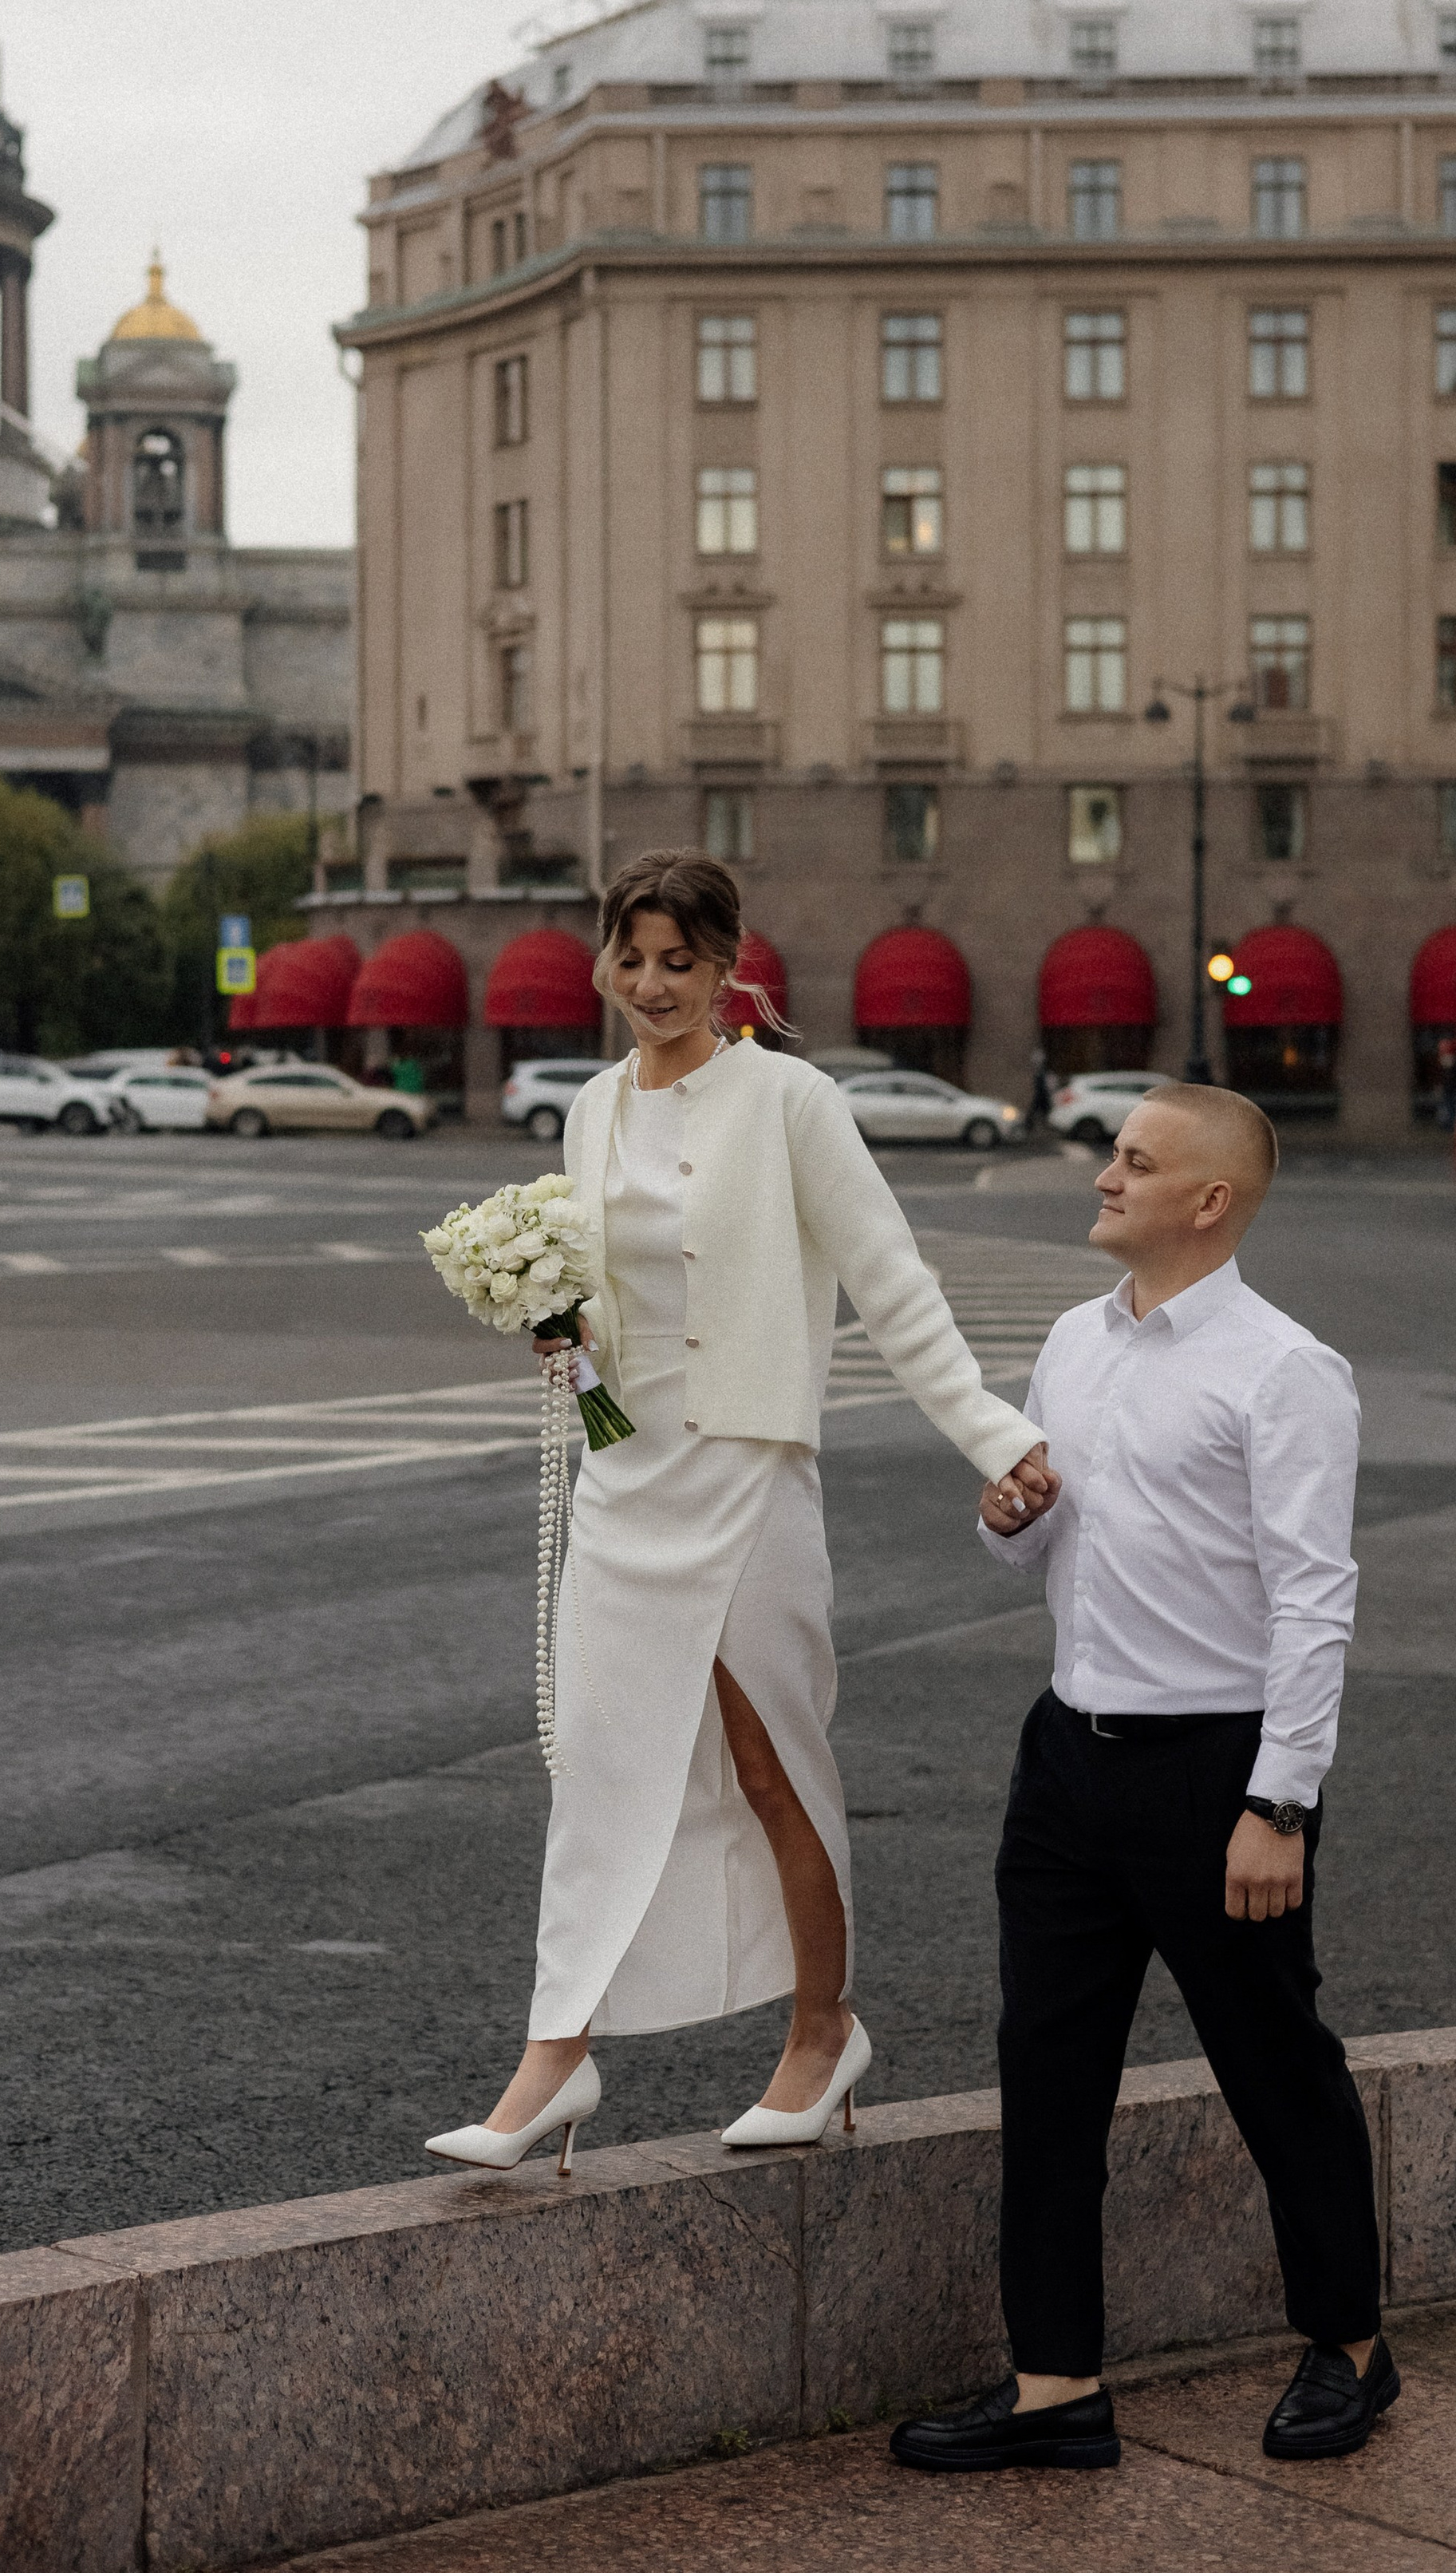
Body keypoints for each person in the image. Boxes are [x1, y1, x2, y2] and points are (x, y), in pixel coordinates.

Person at [424, 850, 1058, 2177]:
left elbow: (892, 1282)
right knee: (600, 1770)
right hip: (627, 1478)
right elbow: (611, 1283)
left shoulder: (792, 1100)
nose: (650, 986)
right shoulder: (591, 1107)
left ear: (727, 969)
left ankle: (824, 2034)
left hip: (749, 1474)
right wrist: (559, 1326)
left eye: (679, 963)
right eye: (631, 960)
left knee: (772, 1767)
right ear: (606, 960)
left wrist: (997, 1437)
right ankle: (557, 2058)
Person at [892, 1083, 1394, 2480]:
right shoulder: (1072, 1340)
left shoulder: (1285, 1369)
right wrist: (1008, 1516)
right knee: (1045, 2074)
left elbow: (1315, 1603)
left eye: (1134, 1160)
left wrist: (1278, 1801)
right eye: (1114, 1156)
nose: (1104, 1176)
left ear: (1210, 1201)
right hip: (1067, 1760)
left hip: (1218, 1773)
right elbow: (1043, 1552)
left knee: (1275, 2066)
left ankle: (1350, 2345)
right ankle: (1057, 2388)